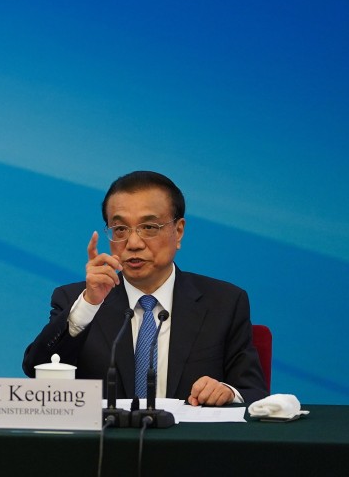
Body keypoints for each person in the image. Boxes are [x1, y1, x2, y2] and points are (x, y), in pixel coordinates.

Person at [22, 171, 267, 406]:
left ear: (178, 231)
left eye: (149, 227)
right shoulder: (77, 300)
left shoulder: (224, 302)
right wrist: (89, 304)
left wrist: (227, 393)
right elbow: (37, 373)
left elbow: (254, 393)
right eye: (120, 229)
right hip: (104, 446)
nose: (134, 243)